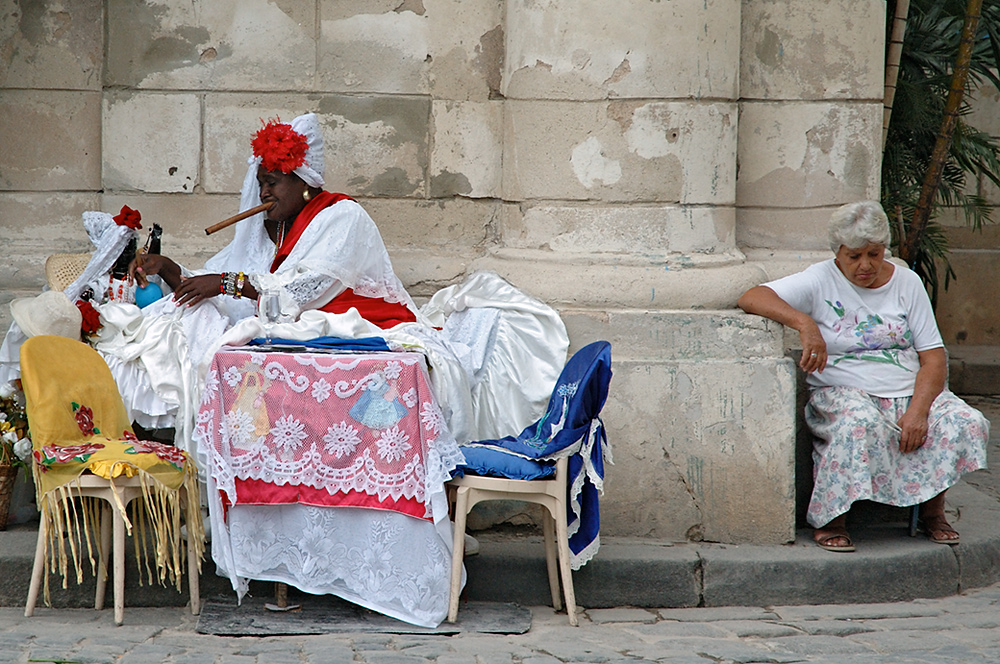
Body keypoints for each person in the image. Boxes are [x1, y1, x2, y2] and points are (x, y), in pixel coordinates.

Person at [737, 201, 988, 552]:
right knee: (858, 422)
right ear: (837, 252)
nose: (866, 265)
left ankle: (933, 511)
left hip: (905, 388)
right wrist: (805, 323)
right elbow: (752, 296)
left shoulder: (907, 282)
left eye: (874, 253)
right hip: (845, 390)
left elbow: (932, 357)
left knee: (965, 420)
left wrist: (917, 411)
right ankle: (832, 517)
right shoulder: (820, 278)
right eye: (854, 256)